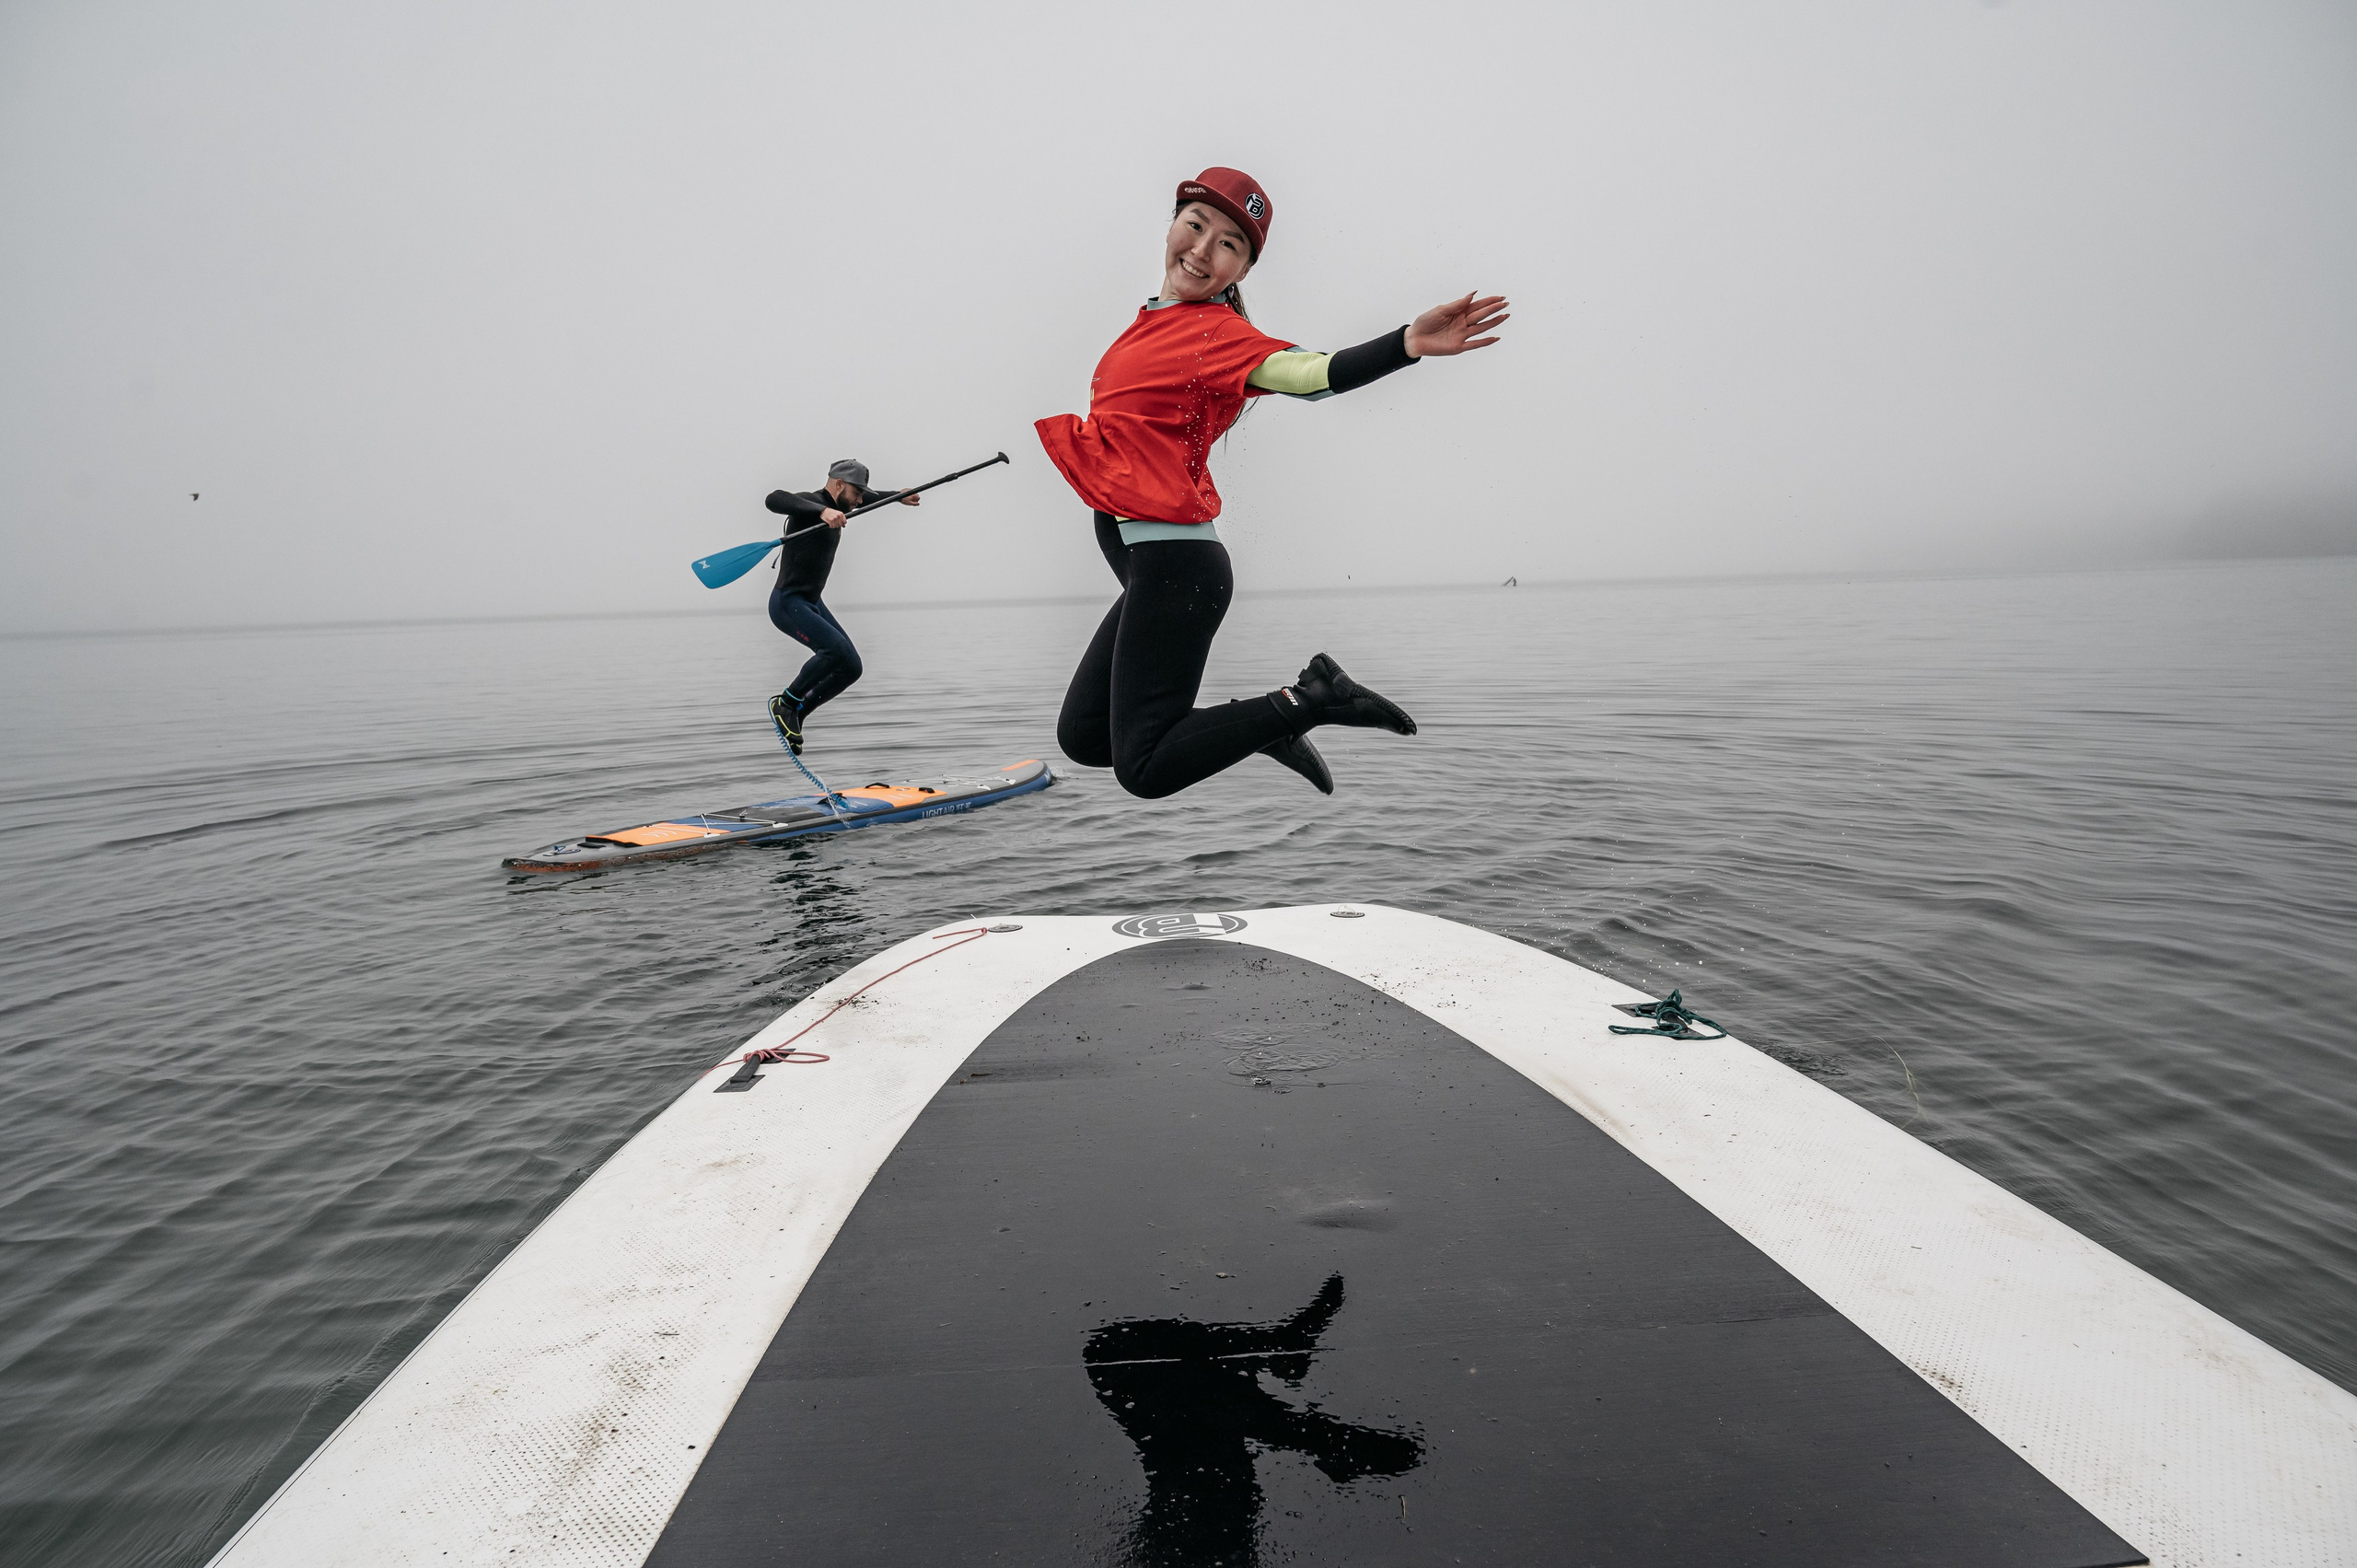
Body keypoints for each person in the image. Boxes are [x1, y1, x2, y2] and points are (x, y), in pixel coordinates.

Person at [1037, 167, 1507, 798]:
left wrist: (1406, 344)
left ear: (1242, 271)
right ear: (1173, 223)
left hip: (1177, 568)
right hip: (1151, 568)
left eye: (1229, 243)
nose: (1203, 250)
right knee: (1085, 737)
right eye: (1196, 225)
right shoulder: (1152, 321)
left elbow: (1312, 373)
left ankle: (1312, 697)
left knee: (1144, 768)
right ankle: (1265, 725)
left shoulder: (1219, 335)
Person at [760, 459, 919, 753]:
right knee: (835, 652)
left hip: (811, 601)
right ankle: (785, 703)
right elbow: (775, 499)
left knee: (851, 666)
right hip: (787, 603)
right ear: (838, 485)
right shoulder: (810, 503)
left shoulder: (846, 500)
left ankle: (796, 714)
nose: (859, 501)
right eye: (856, 494)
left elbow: (871, 497)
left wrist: (899, 495)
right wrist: (823, 511)